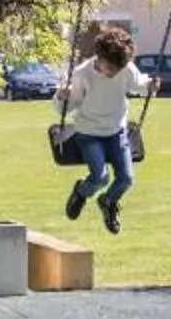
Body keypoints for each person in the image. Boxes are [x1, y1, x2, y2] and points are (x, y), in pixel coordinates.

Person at [58, 27, 147, 234]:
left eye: (118, 68)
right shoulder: (82, 74)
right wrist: (63, 97)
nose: (114, 72)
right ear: (99, 57)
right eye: (111, 68)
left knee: (126, 179)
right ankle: (80, 192)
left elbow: (138, 84)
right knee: (100, 178)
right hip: (89, 134)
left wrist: (150, 85)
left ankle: (108, 201)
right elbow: (68, 106)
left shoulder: (125, 68)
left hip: (117, 132)